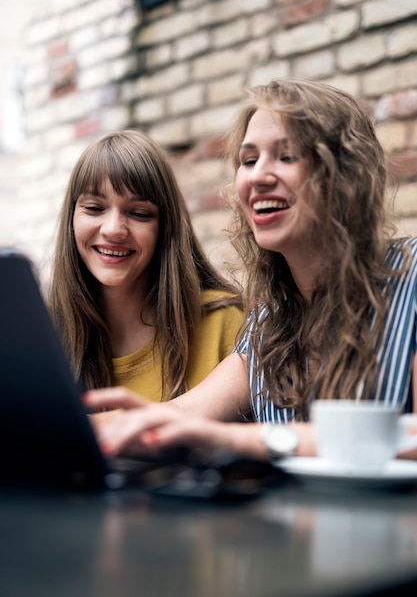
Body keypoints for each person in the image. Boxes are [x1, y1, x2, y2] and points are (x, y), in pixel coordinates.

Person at [83, 79, 417, 461]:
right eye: (249, 159)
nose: (258, 175)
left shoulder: (411, 277)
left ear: (344, 175)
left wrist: (257, 440)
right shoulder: (270, 323)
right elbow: (181, 415)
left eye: (286, 156)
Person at [48, 129, 243, 402]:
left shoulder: (224, 321)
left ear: (165, 227)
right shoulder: (44, 336)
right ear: (72, 219)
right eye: (94, 208)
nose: (114, 229)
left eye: (138, 213)